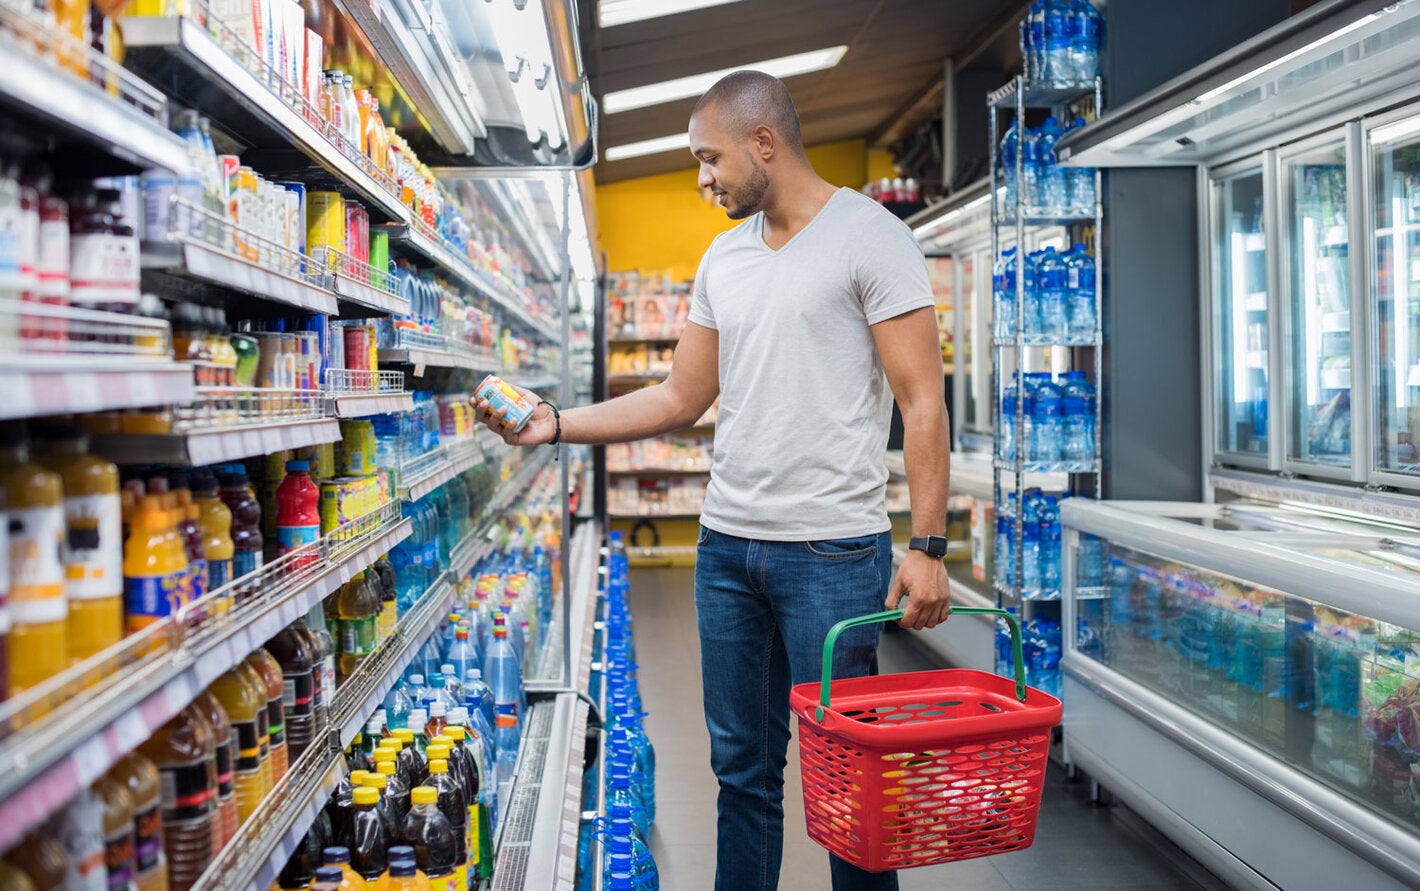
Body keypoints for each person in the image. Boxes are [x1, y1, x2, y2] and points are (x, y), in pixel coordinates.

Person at [473, 70, 951, 891]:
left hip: (833, 552)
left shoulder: (870, 237)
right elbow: (677, 397)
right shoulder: (722, 258)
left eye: (709, 158)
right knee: (741, 774)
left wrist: (930, 545)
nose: (701, 179)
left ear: (764, 143)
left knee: (847, 777)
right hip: (728, 548)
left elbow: (922, 398)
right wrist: (554, 423)